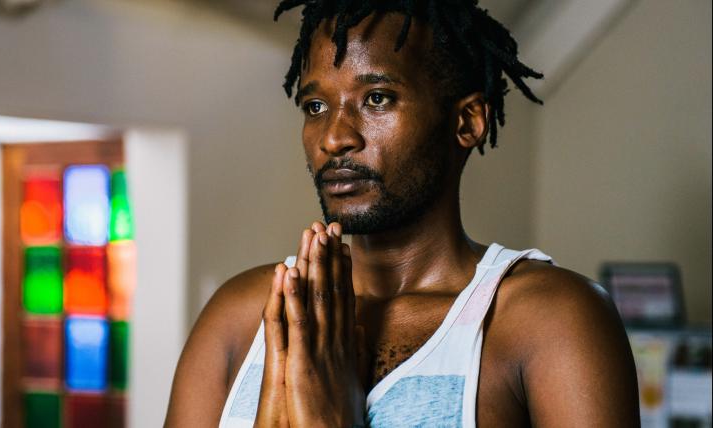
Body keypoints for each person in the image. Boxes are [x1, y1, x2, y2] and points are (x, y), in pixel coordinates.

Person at [165, 1, 640, 426]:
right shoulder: (243, 316)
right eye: (315, 105)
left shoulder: (547, 321)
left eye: (376, 99)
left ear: (467, 122)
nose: (335, 138)